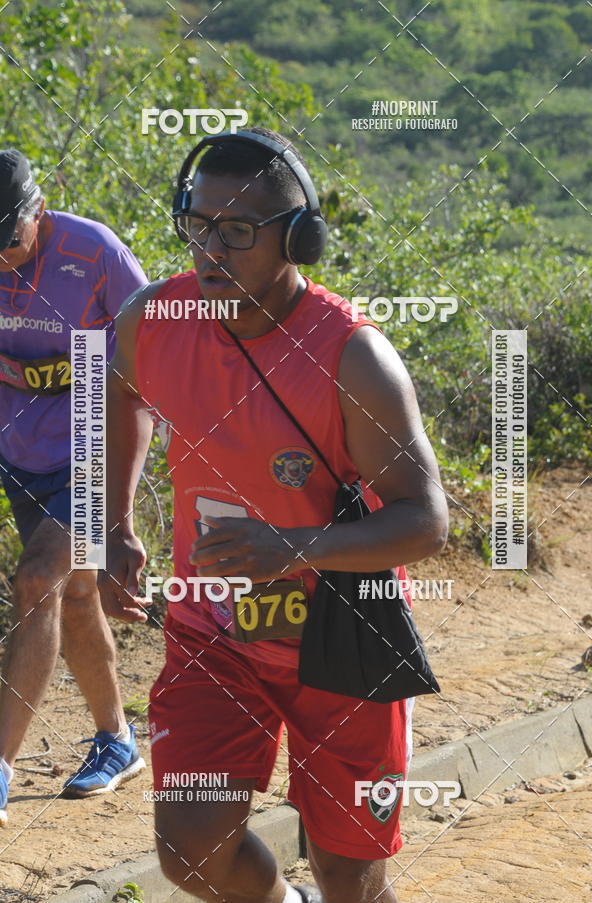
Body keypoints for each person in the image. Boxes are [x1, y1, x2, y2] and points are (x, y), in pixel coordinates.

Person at [101, 127, 448, 903]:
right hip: (212, 633)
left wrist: (290, 547)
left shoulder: (353, 356)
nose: (210, 249)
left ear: (299, 239)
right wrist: (115, 526)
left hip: (342, 641)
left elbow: (426, 519)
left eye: (238, 231)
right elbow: (116, 392)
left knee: (350, 878)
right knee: (188, 850)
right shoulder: (152, 319)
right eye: (197, 224)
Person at [0, 149, 147, 828]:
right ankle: (117, 740)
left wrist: (119, 514)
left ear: (40, 209)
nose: (3, 259)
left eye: (11, 242)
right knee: (77, 589)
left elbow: (152, 360)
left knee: (36, 579)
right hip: (17, 447)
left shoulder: (95, 252)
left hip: (93, 433)